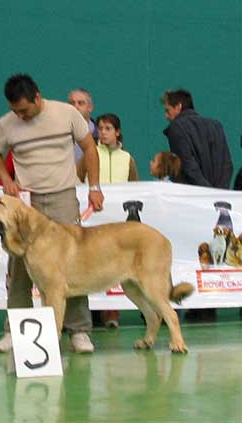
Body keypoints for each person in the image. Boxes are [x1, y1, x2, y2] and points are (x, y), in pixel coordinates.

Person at [0, 74, 104, 353]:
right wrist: (5, 177)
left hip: (63, 197)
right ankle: (16, 330)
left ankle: (79, 332)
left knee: (74, 265)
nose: (20, 115)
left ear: (38, 97)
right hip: (26, 204)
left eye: (24, 110)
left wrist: (95, 186)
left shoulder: (67, 114)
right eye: (15, 110)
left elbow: (89, 148)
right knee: (18, 268)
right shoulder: (7, 123)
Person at [162, 88, 233, 322]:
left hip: (192, 200)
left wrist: (202, 194)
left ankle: (197, 306)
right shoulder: (216, 125)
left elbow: (187, 165)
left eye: (168, 110)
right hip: (219, 200)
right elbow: (227, 163)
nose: (166, 115)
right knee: (215, 253)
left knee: (191, 253)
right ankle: (210, 305)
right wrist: (218, 193)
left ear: (178, 107)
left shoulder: (177, 129)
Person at [77, 113, 138, 328]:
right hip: (94, 219)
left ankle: (111, 312)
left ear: (117, 132)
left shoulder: (127, 158)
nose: (103, 132)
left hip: (118, 223)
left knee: (115, 264)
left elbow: (135, 188)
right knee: (91, 264)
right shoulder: (89, 155)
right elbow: (77, 180)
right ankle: (90, 312)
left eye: (108, 128)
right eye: (100, 128)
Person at [68, 88, 98, 162]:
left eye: (81, 103)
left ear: (90, 108)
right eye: (72, 103)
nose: (76, 107)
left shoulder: (101, 135)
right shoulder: (60, 133)